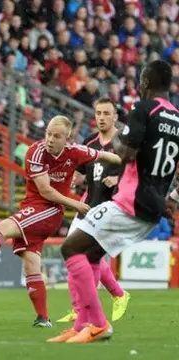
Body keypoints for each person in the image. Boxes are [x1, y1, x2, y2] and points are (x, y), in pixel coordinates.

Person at [0, 116, 122, 327]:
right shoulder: (36, 152)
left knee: (4, 227)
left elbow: (106, 156)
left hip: (50, 211)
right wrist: (75, 203)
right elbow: (45, 190)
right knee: (31, 264)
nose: (50, 139)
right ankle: (43, 318)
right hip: (36, 206)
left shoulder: (76, 152)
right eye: (48, 133)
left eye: (56, 136)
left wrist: (128, 162)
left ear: (67, 139)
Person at [50, 60, 179, 344]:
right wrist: (173, 197)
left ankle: (97, 324)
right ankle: (82, 325)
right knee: (92, 255)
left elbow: (126, 152)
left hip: (130, 200)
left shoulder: (144, 108)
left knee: (71, 248)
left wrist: (120, 139)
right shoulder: (177, 119)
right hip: (153, 207)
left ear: (144, 82)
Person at [56, 98, 131, 324]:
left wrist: (118, 178)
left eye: (106, 113)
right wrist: (71, 180)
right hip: (88, 203)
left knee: (89, 258)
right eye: (98, 113)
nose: (101, 117)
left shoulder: (125, 141)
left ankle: (85, 312)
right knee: (72, 252)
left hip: (111, 208)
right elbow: (81, 172)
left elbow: (138, 173)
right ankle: (108, 298)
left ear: (115, 117)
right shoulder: (89, 141)